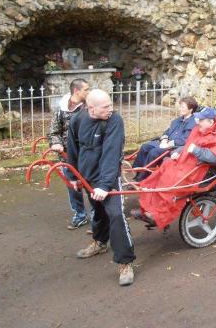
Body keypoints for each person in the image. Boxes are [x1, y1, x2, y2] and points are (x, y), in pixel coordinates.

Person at [134, 107, 216, 229]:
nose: (197, 122)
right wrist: (179, 151)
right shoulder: (200, 130)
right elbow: (188, 145)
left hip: (203, 169)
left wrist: (196, 150)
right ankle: (151, 210)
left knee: (173, 182)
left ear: (210, 122)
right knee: (163, 170)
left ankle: (160, 215)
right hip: (191, 163)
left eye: (201, 120)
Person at [66, 89, 136, 286]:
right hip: (88, 177)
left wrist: (105, 185)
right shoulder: (77, 120)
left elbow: (111, 153)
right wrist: (73, 176)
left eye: (110, 104)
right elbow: (72, 149)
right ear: (91, 108)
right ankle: (100, 242)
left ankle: (125, 261)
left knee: (115, 214)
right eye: (105, 107)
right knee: (98, 211)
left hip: (108, 178)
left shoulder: (114, 121)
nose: (110, 109)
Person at [48, 78, 91, 230]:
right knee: (73, 187)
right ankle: (80, 215)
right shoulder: (61, 109)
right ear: (76, 91)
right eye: (86, 89)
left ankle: (97, 217)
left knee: (90, 185)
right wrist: (56, 143)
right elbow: (53, 131)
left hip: (86, 155)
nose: (89, 92)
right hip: (67, 156)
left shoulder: (89, 107)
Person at [132, 96, 198, 181]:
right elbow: (167, 132)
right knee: (145, 146)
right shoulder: (178, 120)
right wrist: (164, 140)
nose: (179, 109)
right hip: (165, 143)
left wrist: (168, 144)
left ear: (191, 109)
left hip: (175, 148)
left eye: (182, 107)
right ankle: (138, 171)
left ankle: (142, 178)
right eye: (180, 106)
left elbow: (184, 140)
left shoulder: (193, 123)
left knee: (154, 152)